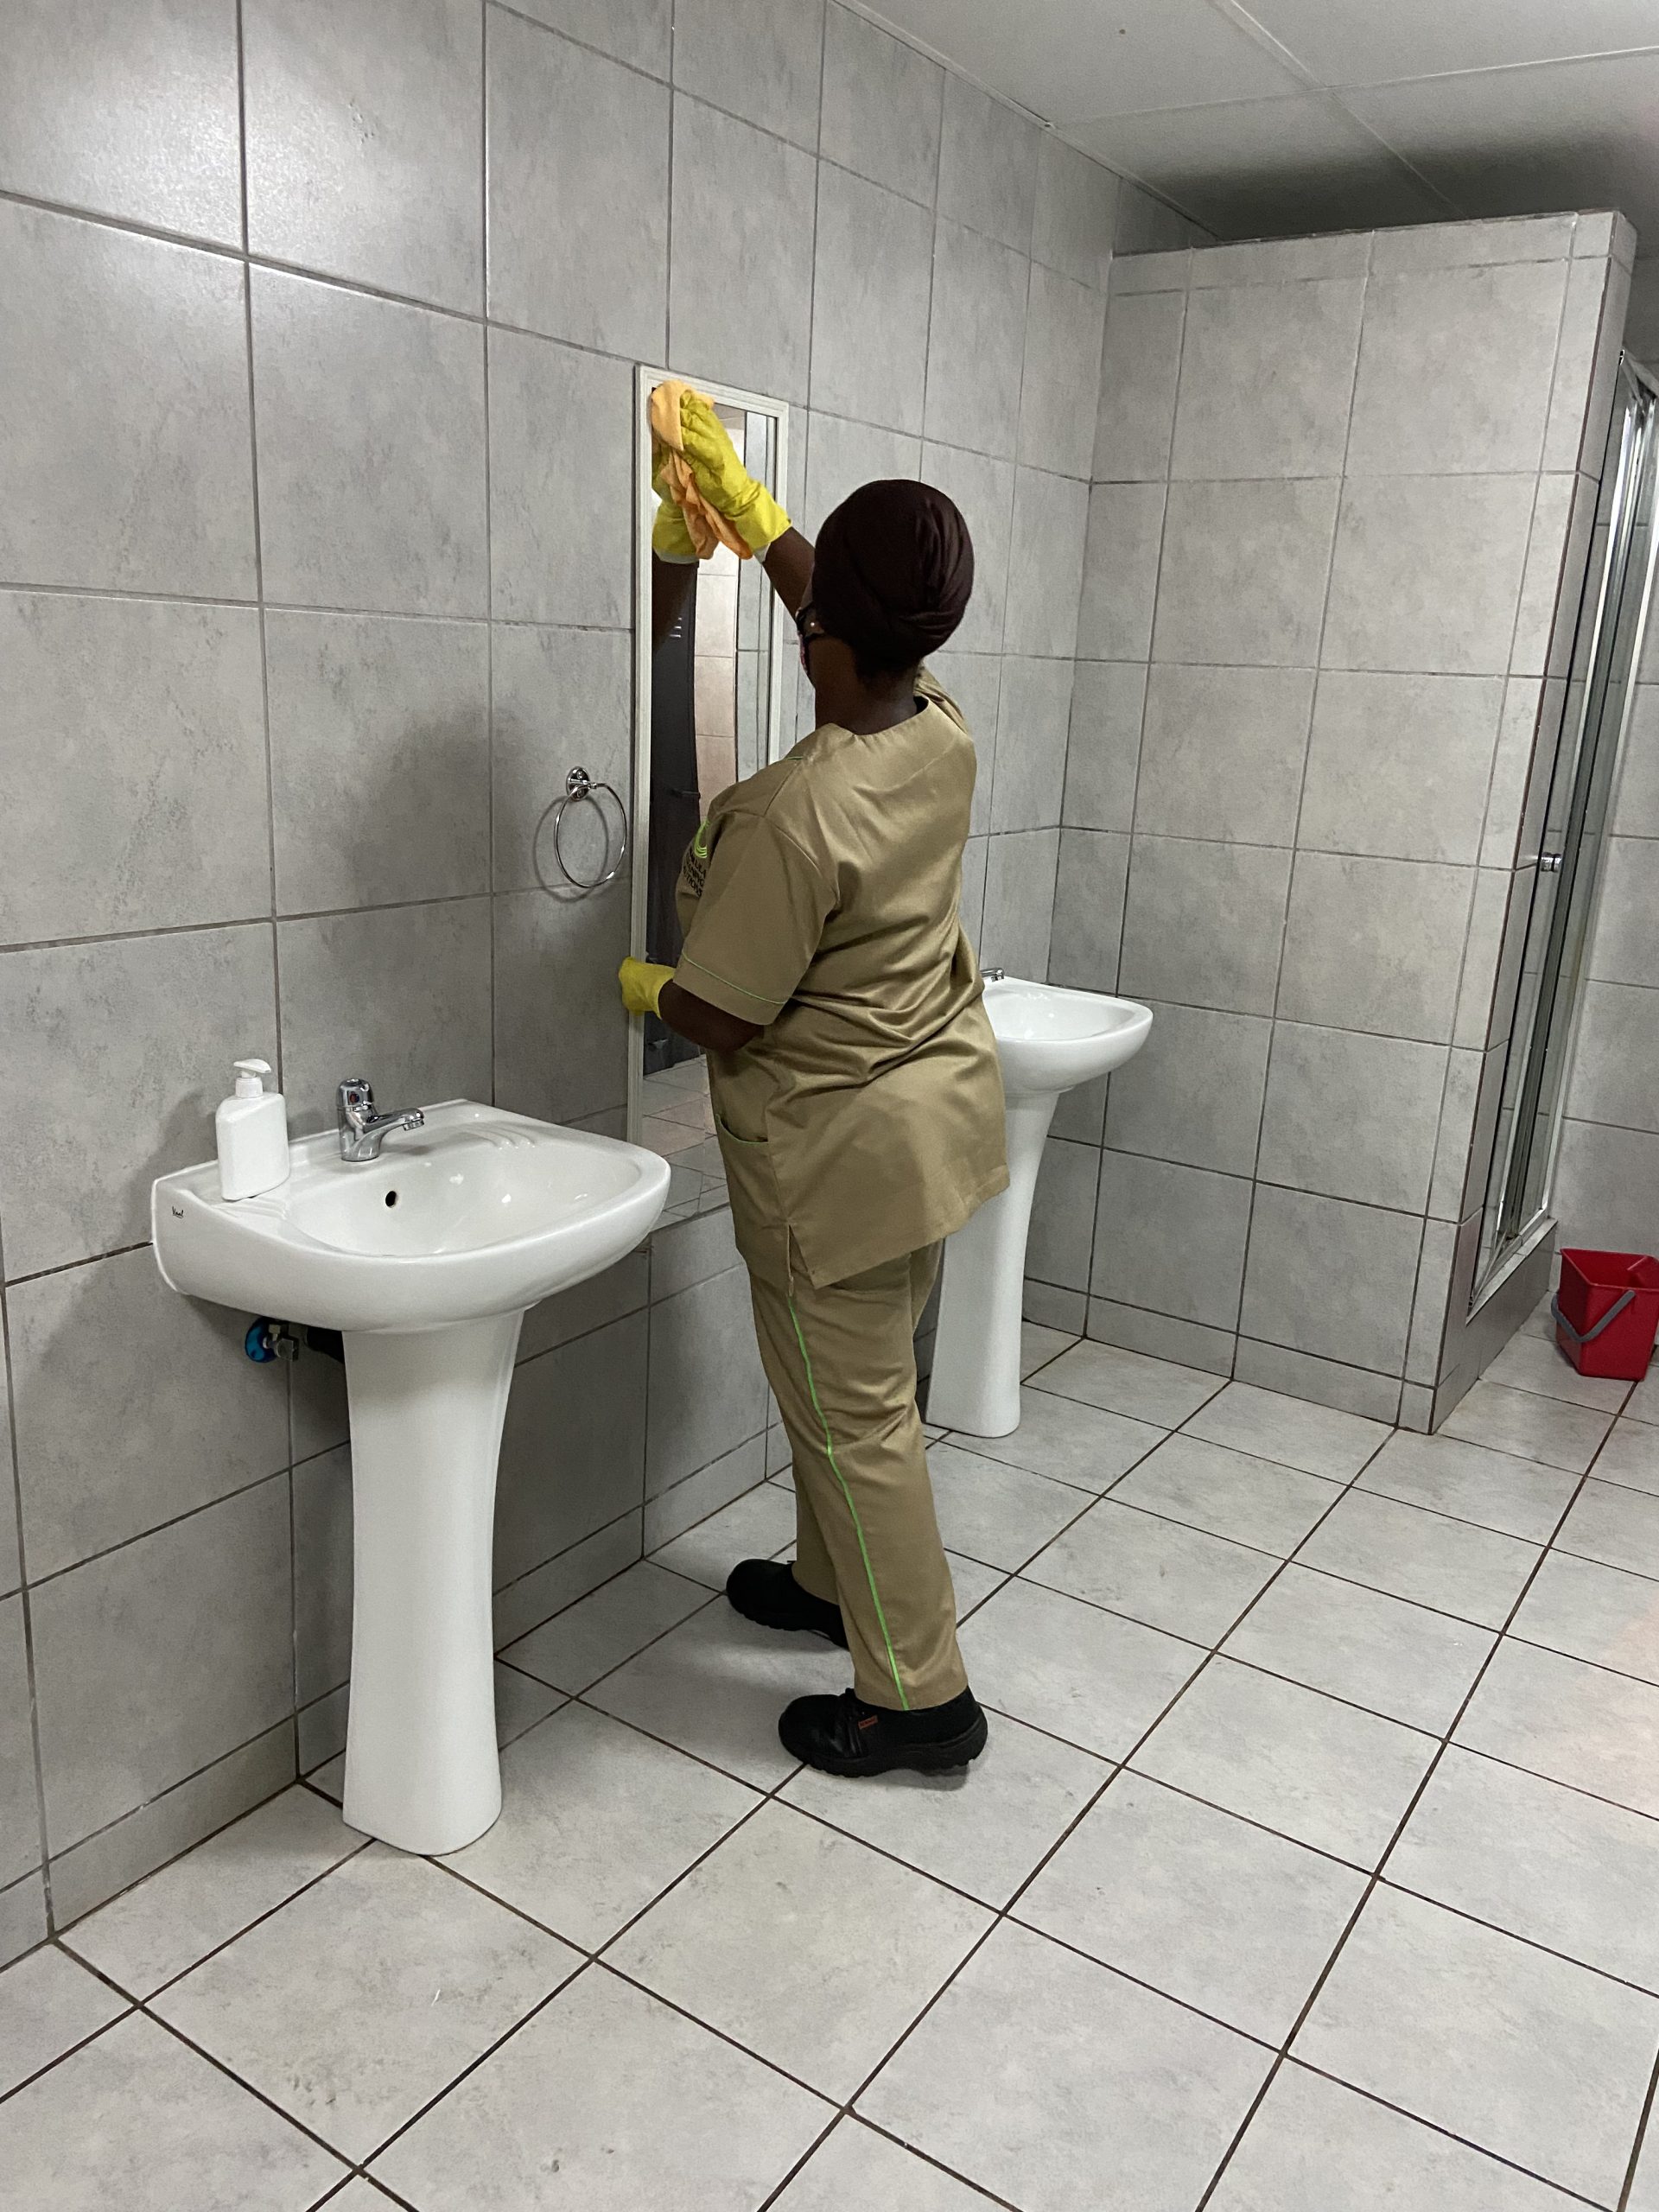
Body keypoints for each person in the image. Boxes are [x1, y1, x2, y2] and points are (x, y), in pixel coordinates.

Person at [619, 393, 1007, 1778]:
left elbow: (724, 1011)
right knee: (853, 1400)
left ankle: (919, 1698)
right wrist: (758, 514)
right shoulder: (940, 729)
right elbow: (844, 621)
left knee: (859, 1426)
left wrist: (644, 987)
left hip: (831, 1170)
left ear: (823, 635)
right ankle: (830, 1586)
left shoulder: (800, 814)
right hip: (928, 1133)